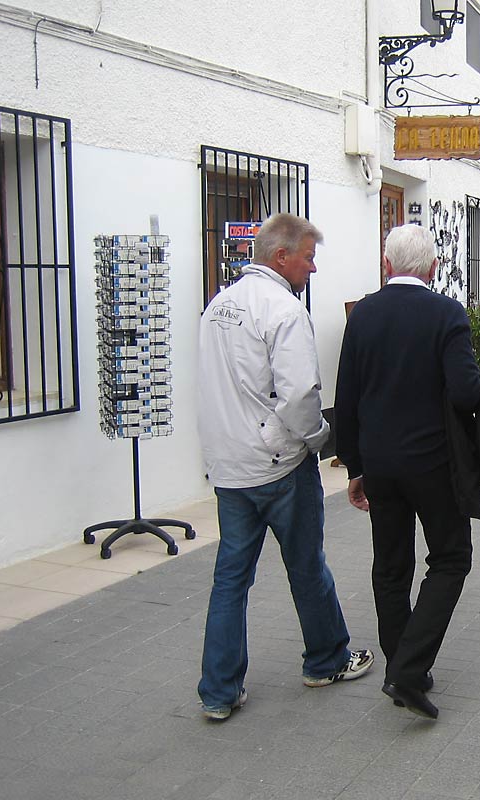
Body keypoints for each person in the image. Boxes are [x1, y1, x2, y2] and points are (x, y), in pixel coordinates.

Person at [196, 213, 373, 721]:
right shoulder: (285, 311)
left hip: (230, 467)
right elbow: (298, 396)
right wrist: (319, 438)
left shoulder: (218, 306)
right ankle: (326, 659)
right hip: (279, 466)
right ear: (281, 257)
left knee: (230, 579)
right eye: (309, 258)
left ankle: (219, 691)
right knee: (306, 565)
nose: (313, 268)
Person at [334, 223, 480, 721]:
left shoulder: (363, 314)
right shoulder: (446, 313)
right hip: (434, 463)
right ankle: (408, 668)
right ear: (434, 268)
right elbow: (465, 391)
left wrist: (355, 466)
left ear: (386, 265)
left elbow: (346, 397)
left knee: (390, 566)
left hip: (380, 462)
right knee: (451, 558)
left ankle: (401, 663)